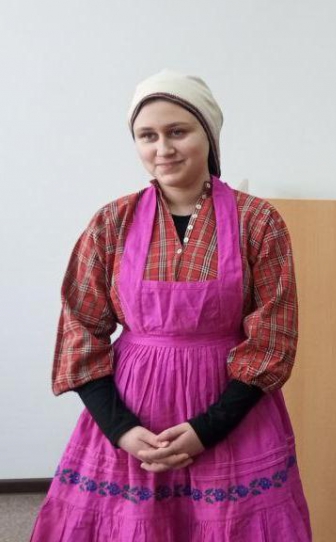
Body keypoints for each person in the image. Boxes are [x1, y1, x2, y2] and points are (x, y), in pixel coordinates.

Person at [31, 70, 311, 541]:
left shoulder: (258, 221)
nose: (163, 148)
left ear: (209, 135)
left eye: (178, 131)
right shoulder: (112, 222)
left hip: (232, 417)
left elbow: (273, 337)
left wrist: (209, 428)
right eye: (148, 136)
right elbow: (81, 328)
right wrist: (120, 428)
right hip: (133, 419)